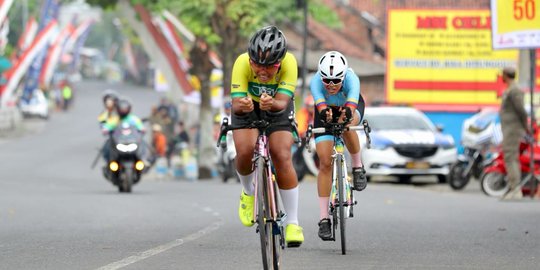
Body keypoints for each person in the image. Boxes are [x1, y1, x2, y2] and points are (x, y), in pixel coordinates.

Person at [230, 25, 304, 247]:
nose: (262, 71)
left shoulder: (290, 63)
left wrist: (272, 103)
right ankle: (248, 191)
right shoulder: (241, 62)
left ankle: (292, 222)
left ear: (280, 62)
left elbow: (282, 101)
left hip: (278, 106)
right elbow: (235, 104)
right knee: (244, 151)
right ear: (250, 59)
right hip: (248, 107)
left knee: (281, 154)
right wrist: (243, 105)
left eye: (270, 66)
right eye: (257, 64)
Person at [309, 51, 367, 240]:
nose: (331, 85)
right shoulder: (315, 82)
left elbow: (350, 109)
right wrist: (326, 113)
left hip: (349, 106)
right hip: (325, 109)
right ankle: (324, 218)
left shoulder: (352, 80)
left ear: (343, 76)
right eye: (327, 81)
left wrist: (344, 117)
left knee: (347, 125)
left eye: (336, 81)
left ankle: (358, 167)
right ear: (321, 77)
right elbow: (322, 108)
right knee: (325, 163)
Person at [499, 67, 529, 200]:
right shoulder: (510, 89)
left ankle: (516, 189)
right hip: (508, 129)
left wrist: (526, 127)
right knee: (509, 157)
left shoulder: (515, 90)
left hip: (513, 129)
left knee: (511, 157)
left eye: (502, 74)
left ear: (506, 75)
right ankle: (513, 187)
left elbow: (521, 110)